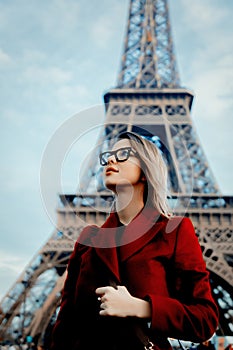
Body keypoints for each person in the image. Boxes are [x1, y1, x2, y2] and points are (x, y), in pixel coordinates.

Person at [50, 131, 219, 350]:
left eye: (123, 154)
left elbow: (204, 319)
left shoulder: (174, 231)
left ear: (146, 171)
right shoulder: (88, 240)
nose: (111, 159)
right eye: (108, 155)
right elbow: (65, 327)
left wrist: (141, 308)